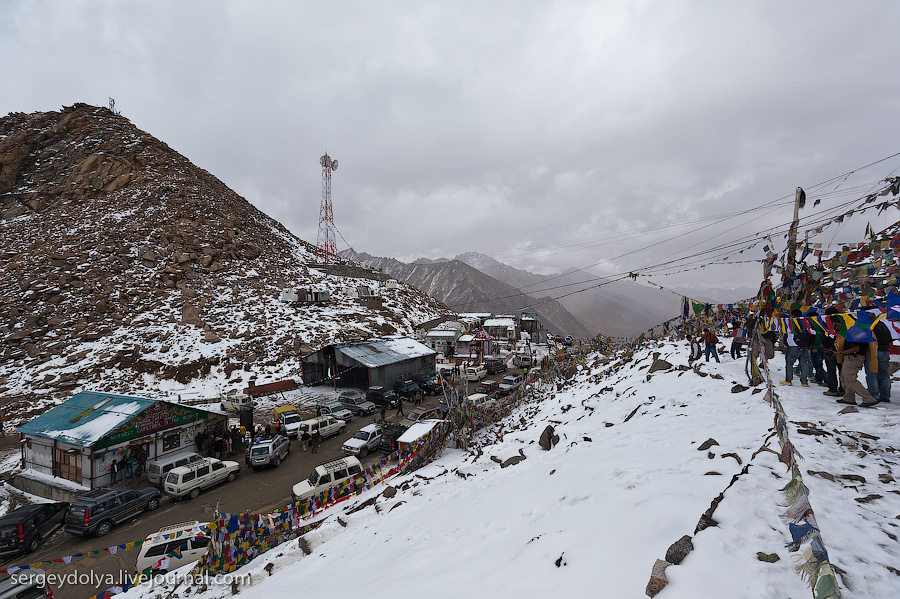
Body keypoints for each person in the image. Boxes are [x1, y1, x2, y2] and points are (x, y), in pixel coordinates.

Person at [835, 334, 878, 407]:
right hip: (851, 357)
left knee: (850, 380)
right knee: (844, 378)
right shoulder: (855, 332)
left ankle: (868, 398)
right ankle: (849, 397)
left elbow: (856, 349)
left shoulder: (856, 333)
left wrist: (840, 353)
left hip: (854, 358)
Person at [780, 309, 810, 386]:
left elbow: (787, 333)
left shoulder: (791, 322)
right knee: (804, 363)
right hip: (804, 345)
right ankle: (804, 382)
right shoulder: (805, 322)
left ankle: (788, 380)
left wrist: (786, 342)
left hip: (793, 344)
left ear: (793, 315)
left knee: (789, 363)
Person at [865, 319, 892, 403]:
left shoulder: (870, 326)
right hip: (885, 351)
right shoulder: (885, 325)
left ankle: (873, 395)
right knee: (884, 373)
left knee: (871, 373)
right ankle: (885, 394)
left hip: (873, 351)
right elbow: (891, 340)